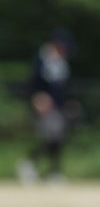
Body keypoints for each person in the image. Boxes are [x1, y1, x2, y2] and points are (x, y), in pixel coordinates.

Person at [17, 28, 74, 184]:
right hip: (42, 106)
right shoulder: (41, 59)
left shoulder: (62, 63)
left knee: (55, 139)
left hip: (58, 107)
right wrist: (37, 99)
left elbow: (63, 88)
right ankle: (46, 169)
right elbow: (32, 84)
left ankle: (38, 166)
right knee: (50, 138)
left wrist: (68, 103)